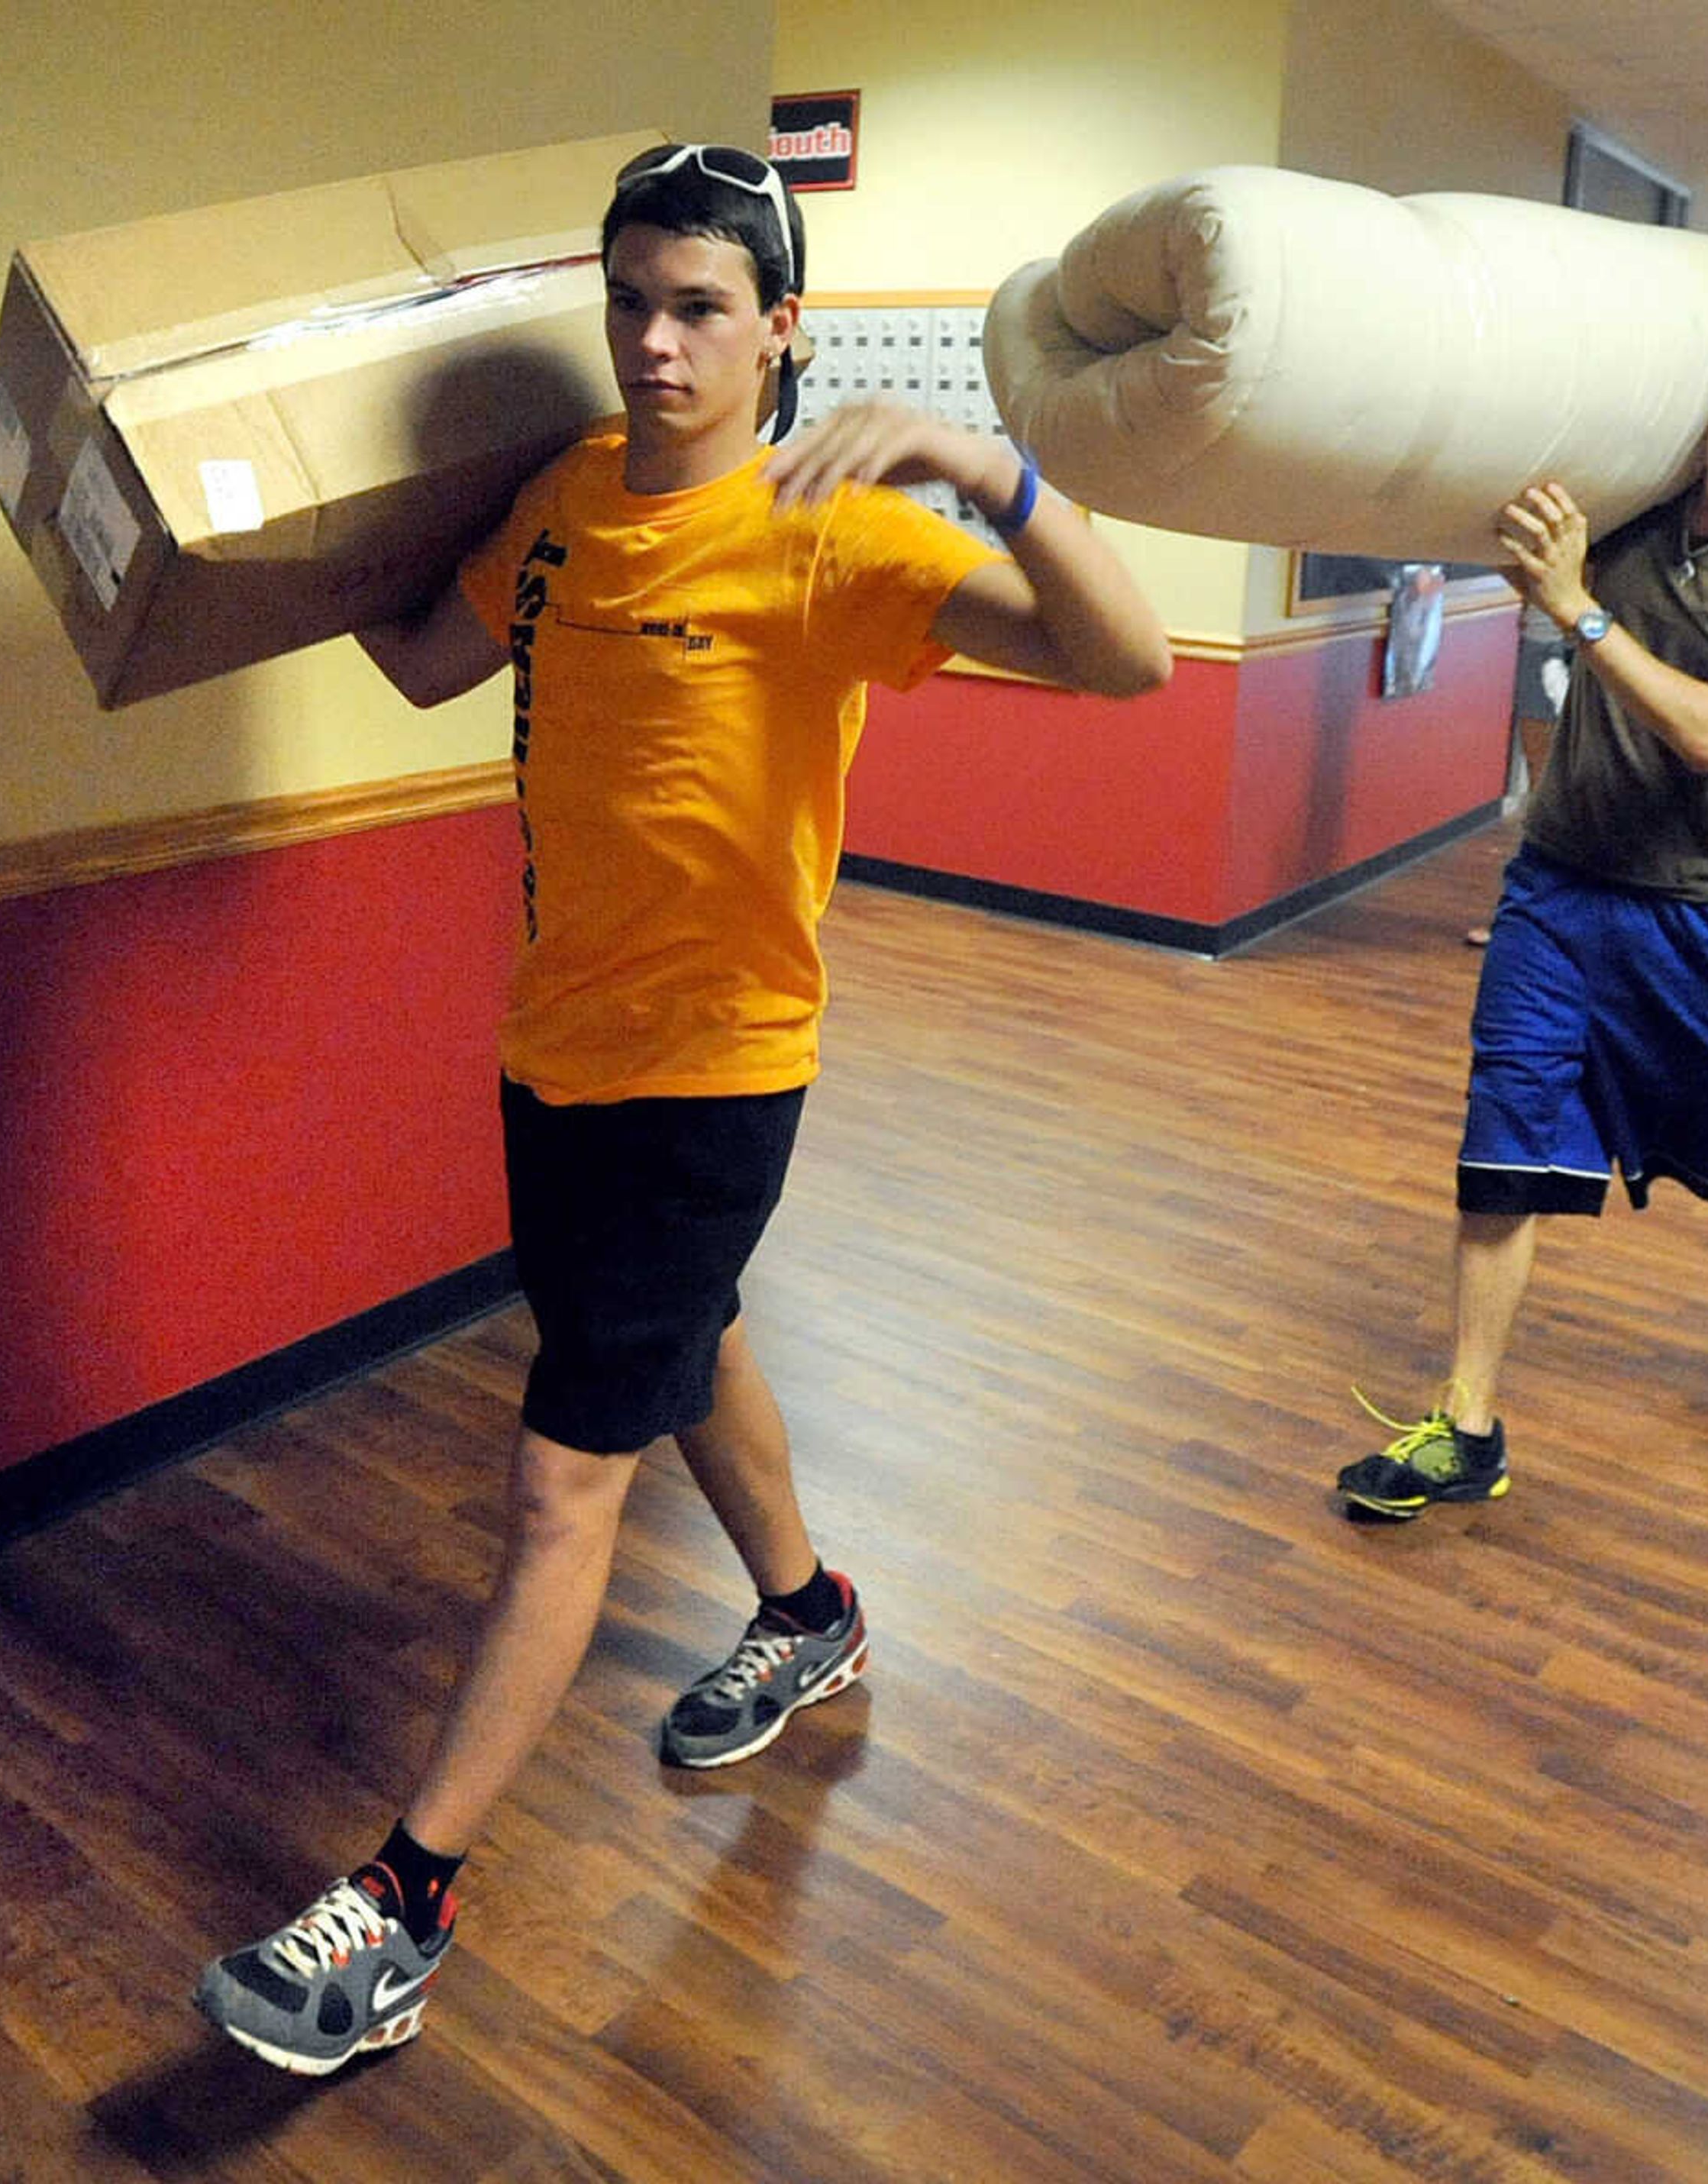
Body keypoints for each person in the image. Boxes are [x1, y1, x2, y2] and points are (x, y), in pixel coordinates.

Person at [192, 140, 1170, 2075]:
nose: (652, 341)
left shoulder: (836, 530)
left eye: (699, 307)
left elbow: (1127, 659)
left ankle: (400, 1907)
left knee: (567, 1472)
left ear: (776, 328)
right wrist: (254, 548)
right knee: (676, 1335)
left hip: (717, 1063)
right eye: (629, 300)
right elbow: (417, 661)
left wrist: (991, 471)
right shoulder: (561, 498)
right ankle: (806, 1611)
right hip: (550, 1041)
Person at [1334, 303, 1708, 1522]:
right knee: (1501, 1153)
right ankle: (1469, 1423)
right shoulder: (1637, 499)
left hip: (1699, 908)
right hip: (1555, 887)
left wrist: (1580, 608)